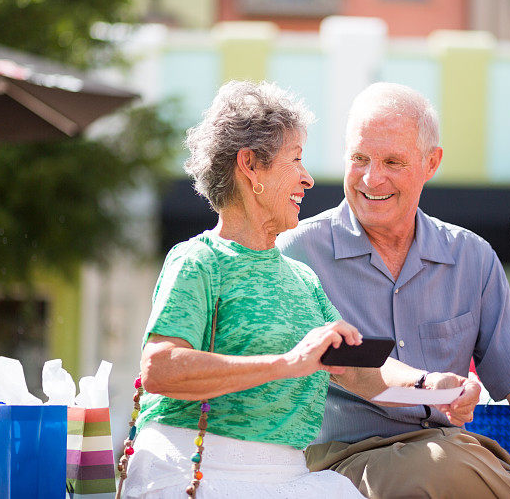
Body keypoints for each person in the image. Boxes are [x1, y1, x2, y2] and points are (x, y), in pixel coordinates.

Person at [123, 81, 480, 498]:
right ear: (251, 166)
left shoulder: (301, 278)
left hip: (287, 477)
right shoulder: (198, 261)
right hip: (194, 469)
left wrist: (433, 386)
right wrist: (287, 362)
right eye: (295, 160)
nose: (308, 179)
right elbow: (160, 369)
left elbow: (360, 371)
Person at [277, 82, 510, 498]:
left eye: (392, 162)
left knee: (448, 461)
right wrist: (429, 385)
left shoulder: (472, 258)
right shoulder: (297, 251)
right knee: (440, 468)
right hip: (340, 458)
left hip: (452, 452)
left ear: (431, 163)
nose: (370, 177)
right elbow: (346, 370)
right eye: (359, 158)